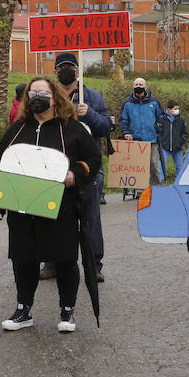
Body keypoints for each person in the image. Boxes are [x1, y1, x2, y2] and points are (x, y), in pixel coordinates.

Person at [0, 77, 101, 333]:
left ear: (55, 96)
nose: (37, 95)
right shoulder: (16, 130)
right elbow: (0, 165)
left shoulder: (72, 128)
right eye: (33, 91)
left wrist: (76, 174)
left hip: (60, 206)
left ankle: (67, 311)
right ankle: (23, 309)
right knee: (23, 259)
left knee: (64, 259)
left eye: (44, 91)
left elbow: (93, 159)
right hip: (21, 208)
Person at [42, 52, 112, 280]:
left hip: (86, 169)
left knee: (90, 220)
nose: (66, 71)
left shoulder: (91, 97)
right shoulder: (47, 96)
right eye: (62, 67)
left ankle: (94, 266)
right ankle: (52, 263)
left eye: (70, 67)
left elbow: (106, 127)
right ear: (55, 71)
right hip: (53, 167)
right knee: (52, 217)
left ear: (77, 70)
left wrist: (89, 113)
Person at [119, 76, 167, 186]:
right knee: (138, 167)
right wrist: (126, 132)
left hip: (152, 139)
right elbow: (123, 120)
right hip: (136, 140)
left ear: (145, 87)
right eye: (136, 85)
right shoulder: (127, 103)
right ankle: (140, 188)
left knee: (154, 164)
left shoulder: (154, 102)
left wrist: (159, 127)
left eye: (140, 85)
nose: (138, 87)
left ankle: (155, 188)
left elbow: (161, 116)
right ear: (133, 87)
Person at [155, 100, 188, 183]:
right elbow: (158, 132)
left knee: (179, 167)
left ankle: (180, 182)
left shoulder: (181, 120)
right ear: (169, 109)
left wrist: (180, 142)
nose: (177, 110)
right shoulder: (162, 119)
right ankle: (161, 182)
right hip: (165, 147)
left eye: (178, 108)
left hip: (177, 148)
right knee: (162, 166)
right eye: (175, 109)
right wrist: (162, 142)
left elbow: (185, 133)